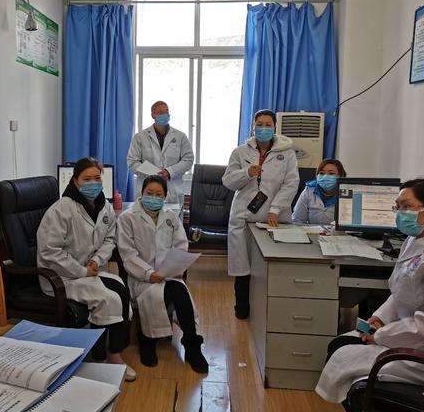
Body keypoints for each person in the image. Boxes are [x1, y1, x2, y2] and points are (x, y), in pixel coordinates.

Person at [316, 178, 424, 405]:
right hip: (414, 331)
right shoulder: (419, 237)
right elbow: (401, 290)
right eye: (397, 207)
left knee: (345, 357)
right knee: (339, 346)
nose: (399, 213)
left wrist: (381, 335)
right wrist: (380, 318)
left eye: (406, 207)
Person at [37, 158, 135, 381]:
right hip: (60, 276)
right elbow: (49, 251)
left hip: (89, 270)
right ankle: (109, 358)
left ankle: (108, 351)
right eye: (86, 179)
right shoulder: (62, 209)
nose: (93, 183)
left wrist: (97, 260)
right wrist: (81, 271)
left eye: (97, 178)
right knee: (109, 298)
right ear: (75, 181)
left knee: (121, 289)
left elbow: (110, 238)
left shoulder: (104, 206)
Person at [117, 175, 208, 373]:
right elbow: (128, 254)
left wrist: (176, 268)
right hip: (141, 278)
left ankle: (192, 345)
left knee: (180, 291)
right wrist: (149, 273)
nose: (153, 197)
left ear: (165, 196)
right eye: (149, 193)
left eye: (158, 194)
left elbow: (180, 245)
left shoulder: (170, 217)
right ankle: (147, 340)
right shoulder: (127, 217)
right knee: (158, 294)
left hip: (168, 274)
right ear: (141, 193)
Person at [222, 109, 299, 319]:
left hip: (274, 217)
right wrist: (246, 173)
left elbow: (291, 183)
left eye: (268, 125)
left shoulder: (288, 153)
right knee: (243, 266)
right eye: (260, 124)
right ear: (253, 127)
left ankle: (272, 311)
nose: (263, 128)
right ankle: (242, 308)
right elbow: (228, 181)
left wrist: (275, 208)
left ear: (275, 127)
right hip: (244, 216)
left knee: (272, 265)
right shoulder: (240, 152)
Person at [127, 100, 194, 204]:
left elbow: (188, 160)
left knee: (172, 214)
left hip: (173, 191)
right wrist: (154, 173)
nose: (165, 115)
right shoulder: (140, 137)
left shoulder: (180, 137)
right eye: (160, 112)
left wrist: (169, 172)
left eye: (166, 112)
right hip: (147, 190)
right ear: (153, 115)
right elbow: (132, 162)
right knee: (145, 214)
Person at [292, 159, 346, 225]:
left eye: (331, 173)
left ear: (341, 176)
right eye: (322, 173)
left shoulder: (346, 192)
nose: (325, 176)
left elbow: (350, 222)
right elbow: (297, 219)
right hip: (312, 231)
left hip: (336, 231)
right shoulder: (309, 190)